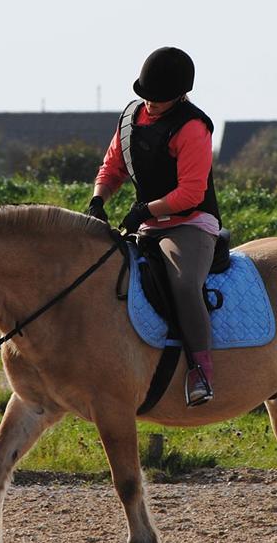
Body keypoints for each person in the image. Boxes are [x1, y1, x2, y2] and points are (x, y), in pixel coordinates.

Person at [84, 46, 221, 407]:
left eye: (160, 100)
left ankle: (200, 370)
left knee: (184, 283)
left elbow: (191, 193)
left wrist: (145, 211)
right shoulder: (131, 119)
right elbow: (112, 168)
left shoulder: (193, 127)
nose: (151, 104)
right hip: (147, 225)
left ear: (181, 95)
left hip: (189, 224)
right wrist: (99, 200)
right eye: (146, 97)